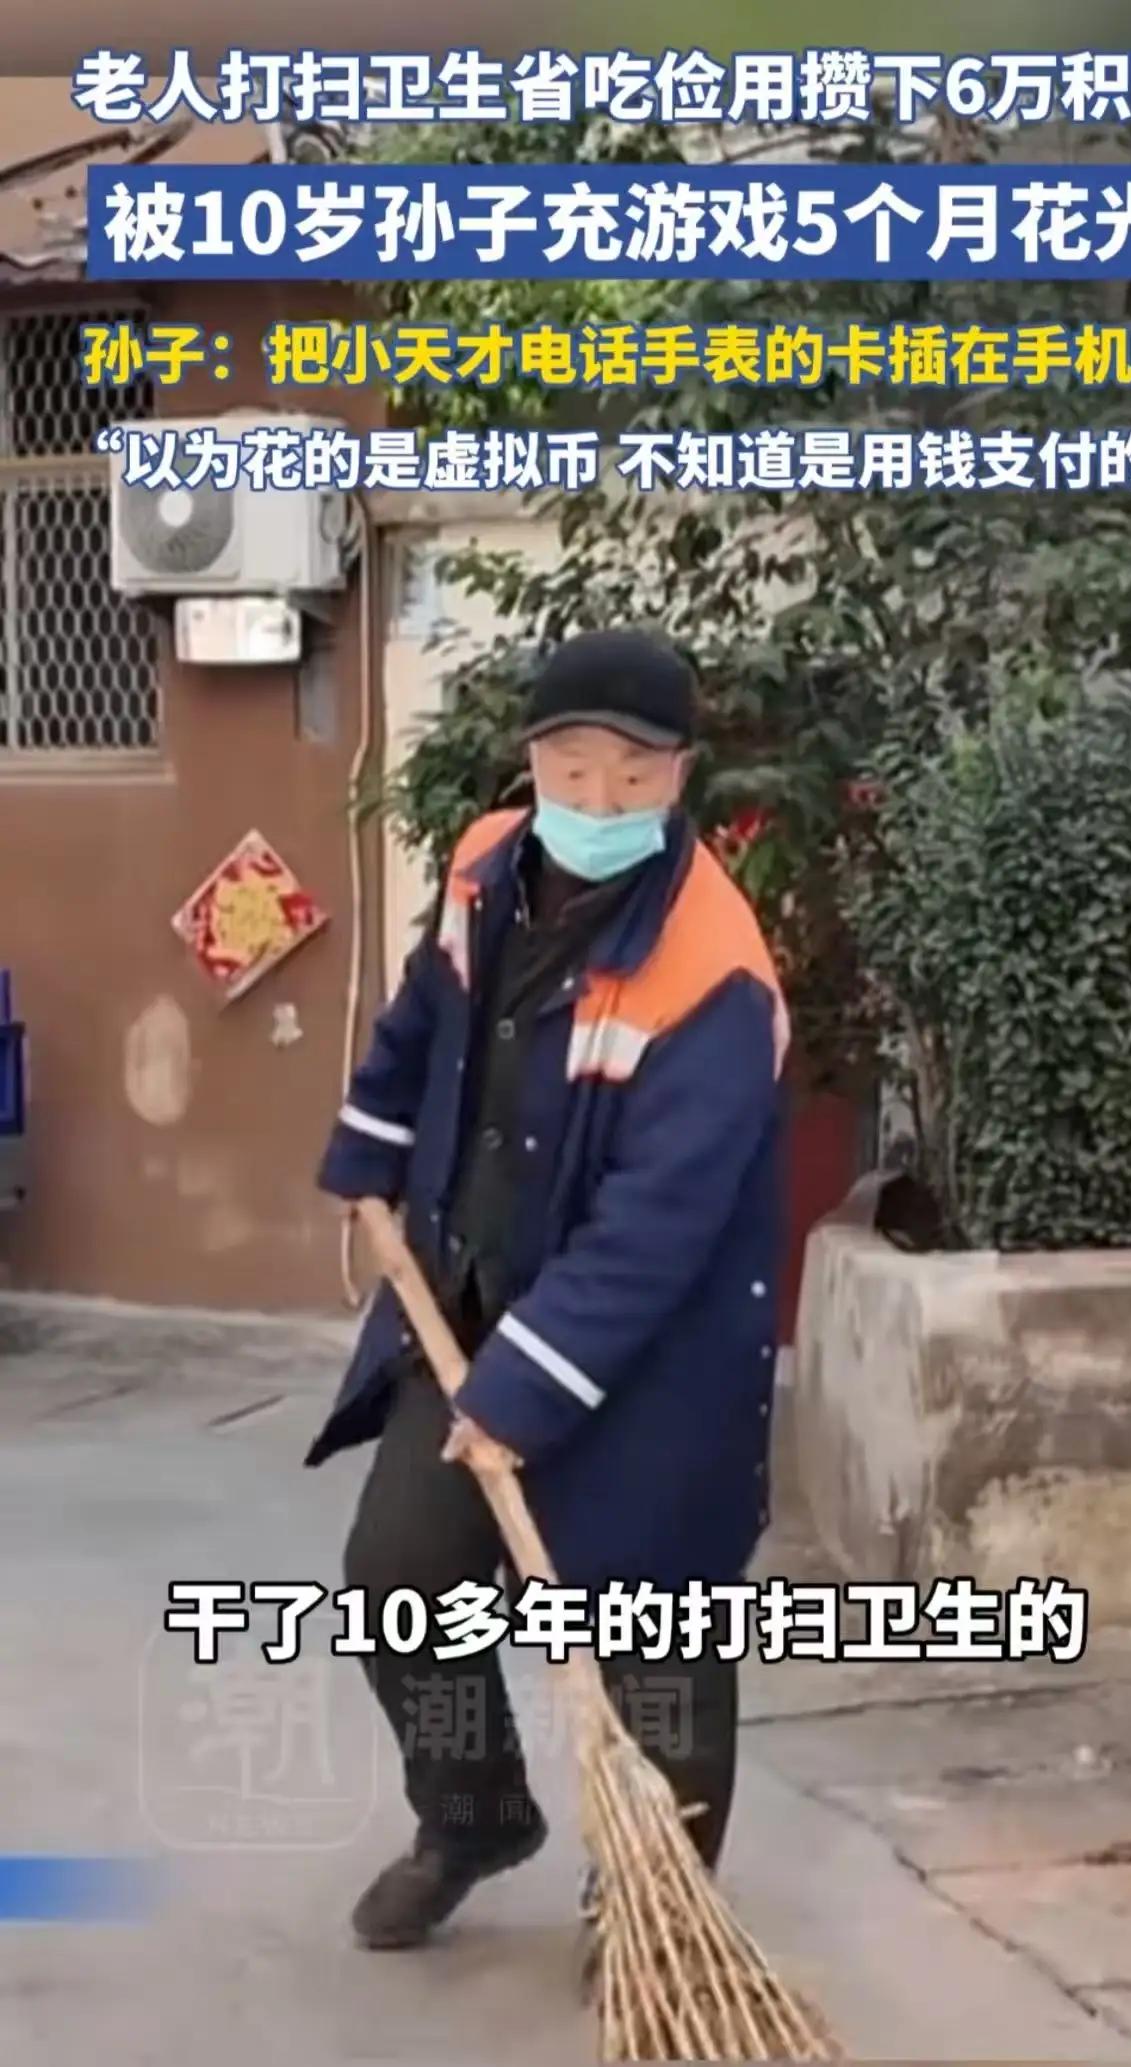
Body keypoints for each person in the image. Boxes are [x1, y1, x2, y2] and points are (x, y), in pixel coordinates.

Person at [306, 627, 789, 1971]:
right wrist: (367, 1150)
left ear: (680, 777)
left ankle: (655, 1904)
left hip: (649, 1354)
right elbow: (422, 1023)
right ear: (532, 763)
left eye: (634, 775)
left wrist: (522, 1392)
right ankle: (474, 1818)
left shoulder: (714, 971)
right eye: (573, 769)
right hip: (469, 1301)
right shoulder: (483, 867)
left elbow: (658, 1226)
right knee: (400, 1580)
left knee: (654, 1629)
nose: (600, 799)